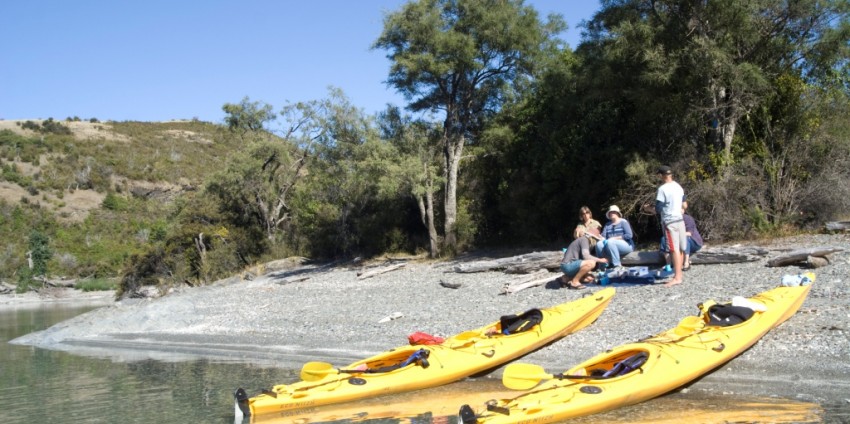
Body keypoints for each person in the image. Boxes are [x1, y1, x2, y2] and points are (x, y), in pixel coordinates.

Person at [654, 165, 687, 287]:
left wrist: (647, 208)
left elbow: (658, 209)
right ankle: (679, 275)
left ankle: (677, 277)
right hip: (680, 219)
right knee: (681, 248)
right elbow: (684, 205)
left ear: (662, 175)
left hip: (670, 222)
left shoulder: (662, 189)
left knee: (674, 249)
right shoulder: (678, 186)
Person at [660, 201, 703, 270]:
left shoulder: (687, 218)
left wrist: (675, 235)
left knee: (684, 238)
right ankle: (668, 263)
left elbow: (689, 233)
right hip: (676, 241)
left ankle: (686, 263)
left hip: (693, 241)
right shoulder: (669, 220)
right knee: (664, 239)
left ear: (683, 210)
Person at [595, 205, 635, 272]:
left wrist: (615, 238)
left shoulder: (623, 222)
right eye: (610, 212)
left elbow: (629, 235)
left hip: (627, 245)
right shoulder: (607, 225)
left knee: (611, 242)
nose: (612, 213)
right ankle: (602, 265)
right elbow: (604, 237)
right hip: (611, 246)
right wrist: (600, 237)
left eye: (614, 212)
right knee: (599, 244)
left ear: (617, 213)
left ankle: (617, 265)